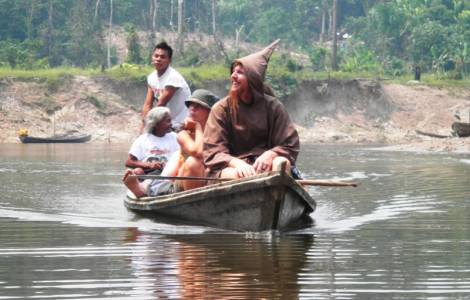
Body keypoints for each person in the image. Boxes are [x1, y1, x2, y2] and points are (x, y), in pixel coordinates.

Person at [203, 39, 300, 179]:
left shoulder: (273, 107)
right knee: (238, 176)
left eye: (240, 72)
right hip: (231, 167)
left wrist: (270, 154)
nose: (233, 76)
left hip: (264, 165)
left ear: (252, 79)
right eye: (233, 71)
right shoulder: (221, 109)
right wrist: (237, 163)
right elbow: (213, 151)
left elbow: (289, 144)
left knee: (281, 163)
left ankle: (274, 198)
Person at [123, 106, 181, 197]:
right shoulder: (142, 139)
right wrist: (150, 165)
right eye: (168, 121)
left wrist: (168, 165)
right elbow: (129, 162)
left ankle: (145, 189)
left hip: (168, 173)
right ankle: (142, 188)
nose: (171, 124)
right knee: (137, 171)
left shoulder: (175, 137)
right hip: (148, 173)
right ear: (157, 123)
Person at [175, 89, 219, 190]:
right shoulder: (183, 134)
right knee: (194, 162)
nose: (192, 109)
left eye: (198, 106)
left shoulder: (218, 132)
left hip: (208, 177)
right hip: (183, 184)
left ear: (209, 111)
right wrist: (198, 126)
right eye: (191, 105)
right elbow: (197, 152)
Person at [142, 41, 191, 130]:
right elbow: (147, 105)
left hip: (180, 124)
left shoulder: (173, 78)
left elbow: (161, 104)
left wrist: (149, 127)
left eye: (163, 57)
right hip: (165, 124)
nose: (158, 59)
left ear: (169, 60)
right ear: (152, 58)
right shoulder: (151, 78)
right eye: (156, 56)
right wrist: (143, 128)